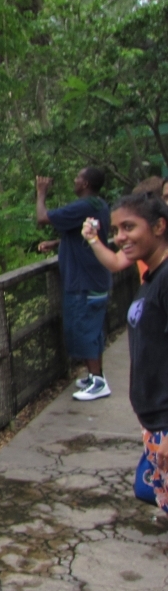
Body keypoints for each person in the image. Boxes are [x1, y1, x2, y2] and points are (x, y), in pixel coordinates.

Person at [108, 193, 168, 513]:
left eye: (129, 227)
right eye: (116, 229)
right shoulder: (152, 276)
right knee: (146, 488)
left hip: (165, 420)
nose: (120, 237)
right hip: (153, 419)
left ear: (159, 226)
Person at [36, 168, 113, 400]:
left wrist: (41, 193)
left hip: (84, 282)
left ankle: (98, 382)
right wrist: (57, 242)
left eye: (78, 177)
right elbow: (87, 234)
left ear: (86, 183)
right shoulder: (99, 205)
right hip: (95, 278)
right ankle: (94, 376)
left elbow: (42, 218)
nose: (74, 180)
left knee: (85, 329)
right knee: (92, 330)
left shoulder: (83, 206)